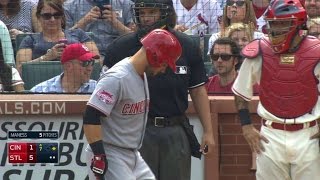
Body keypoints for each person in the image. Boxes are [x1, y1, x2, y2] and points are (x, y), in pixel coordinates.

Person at [103, 0, 215, 179]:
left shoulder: (186, 45)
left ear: (166, 13)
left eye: (151, 12)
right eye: (142, 12)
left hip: (176, 128)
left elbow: (198, 91)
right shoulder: (120, 47)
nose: (146, 18)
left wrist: (208, 131)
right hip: (136, 130)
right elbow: (104, 98)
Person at [232, 0, 320, 179]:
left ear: (298, 24)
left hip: (309, 135)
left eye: (282, 24)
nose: (276, 30)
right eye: (273, 24)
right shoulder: (259, 50)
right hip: (270, 136)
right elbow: (240, 92)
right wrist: (246, 126)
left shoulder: (317, 51)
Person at [83, 29, 182, 180]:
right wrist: (99, 154)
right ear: (155, 56)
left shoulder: (141, 74)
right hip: (111, 152)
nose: (163, 69)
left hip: (133, 154)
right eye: (164, 64)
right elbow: (91, 115)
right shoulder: (118, 77)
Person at [16, 0, 100, 73]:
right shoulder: (30, 40)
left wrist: (74, 56)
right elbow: (20, 69)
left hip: (76, 81)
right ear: (38, 17)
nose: (52, 19)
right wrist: (46, 57)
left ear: (62, 17)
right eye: (47, 16)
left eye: (57, 15)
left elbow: (97, 62)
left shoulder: (79, 34)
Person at [63, 0, 135, 56]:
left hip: (119, 55)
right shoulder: (69, 6)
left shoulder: (127, 4)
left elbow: (135, 37)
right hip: (83, 56)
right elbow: (65, 38)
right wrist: (84, 22)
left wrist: (116, 23)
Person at [30, 43, 98, 93]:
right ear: (68, 66)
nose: (90, 68)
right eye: (85, 63)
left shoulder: (98, 89)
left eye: (92, 62)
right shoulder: (40, 92)